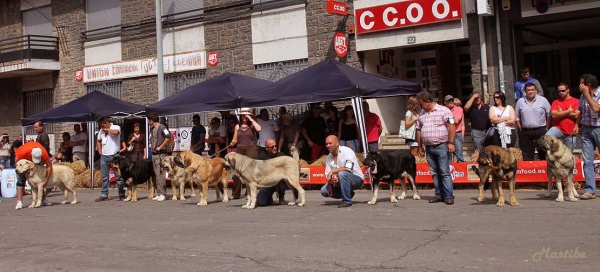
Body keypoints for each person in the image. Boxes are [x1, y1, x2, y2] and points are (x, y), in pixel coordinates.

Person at [415, 91, 455, 205]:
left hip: (441, 145)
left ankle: (448, 195)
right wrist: (420, 146)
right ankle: (439, 195)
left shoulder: (444, 110)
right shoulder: (422, 113)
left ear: (428, 102)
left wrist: (451, 143)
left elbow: (451, 125)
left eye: (421, 104)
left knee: (444, 172)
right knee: (434, 173)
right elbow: (418, 129)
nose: (420, 106)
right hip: (429, 147)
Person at [573, 74, 600, 200]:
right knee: (587, 161)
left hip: (599, 129)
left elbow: (596, 108)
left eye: (582, 84)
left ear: (588, 85)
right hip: (586, 129)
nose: (580, 87)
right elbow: (581, 111)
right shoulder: (582, 96)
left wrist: (587, 94)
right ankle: (590, 190)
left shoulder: (597, 94)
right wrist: (577, 124)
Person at [320, 135, 364, 208]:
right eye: (326, 144)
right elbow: (327, 174)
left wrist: (333, 171)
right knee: (324, 191)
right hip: (340, 181)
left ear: (337, 143)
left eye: (330, 143)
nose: (328, 146)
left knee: (342, 174)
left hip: (356, 179)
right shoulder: (328, 157)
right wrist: (331, 180)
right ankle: (348, 193)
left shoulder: (347, 151)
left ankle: (347, 201)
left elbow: (348, 168)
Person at [229, 108, 262, 199]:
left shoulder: (252, 125)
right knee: (236, 172)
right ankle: (235, 193)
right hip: (240, 149)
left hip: (251, 149)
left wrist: (251, 119)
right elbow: (235, 139)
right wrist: (231, 143)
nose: (245, 116)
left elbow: (259, 129)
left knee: (249, 172)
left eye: (246, 114)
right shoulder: (237, 126)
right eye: (243, 115)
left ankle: (249, 193)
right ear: (240, 115)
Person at [515, 83, 551, 161]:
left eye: (532, 90)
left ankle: (544, 171)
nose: (531, 92)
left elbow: (549, 114)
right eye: (528, 90)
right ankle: (530, 172)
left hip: (540, 130)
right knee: (527, 154)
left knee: (543, 152)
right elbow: (517, 117)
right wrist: (520, 128)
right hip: (526, 131)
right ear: (525, 91)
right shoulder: (520, 102)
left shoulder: (543, 100)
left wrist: (547, 127)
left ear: (536, 90)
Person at [14, 141, 53, 210]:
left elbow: (49, 166)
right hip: (23, 163)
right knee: (21, 180)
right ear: (31, 153)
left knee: (40, 180)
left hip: (38, 163)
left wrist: (46, 180)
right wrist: (21, 169)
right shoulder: (23, 152)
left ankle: (42, 199)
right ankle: (19, 202)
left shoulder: (43, 152)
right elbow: (16, 161)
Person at [95, 116, 125, 202]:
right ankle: (104, 194)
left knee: (118, 176)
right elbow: (98, 140)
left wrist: (108, 130)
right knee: (105, 177)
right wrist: (99, 149)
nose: (102, 128)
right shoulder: (101, 131)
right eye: (101, 126)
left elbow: (116, 132)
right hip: (104, 156)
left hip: (114, 155)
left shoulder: (115, 127)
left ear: (106, 123)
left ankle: (121, 193)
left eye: (102, 126)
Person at [545, 83, 579, 152]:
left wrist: (561, 112)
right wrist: (568, 111)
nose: (561, 92)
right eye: (559, 91)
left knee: (569, 153)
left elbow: (576, 115)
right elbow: (554, 116)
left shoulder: (576, 101)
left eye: (563, 91)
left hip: (570, 130)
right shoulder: (556, 102)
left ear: (568, 90)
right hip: (558, 128)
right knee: (547, 137)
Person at [255, 139, 289, 206]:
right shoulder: (261, 157)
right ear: (266, 148)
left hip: (280, 181)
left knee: (282, 182)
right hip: (267, 182)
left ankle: (281, 196)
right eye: (272, 147)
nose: (275, 148)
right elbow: (255, 169)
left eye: (275, 146)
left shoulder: (281, 155)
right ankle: (269, 197)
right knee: (260, 203)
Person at [147, 112, 172, 202]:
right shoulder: (152, 128)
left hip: (161, 154)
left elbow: (168, 137)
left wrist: (160, 146)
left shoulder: (162, 127)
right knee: (156, 173)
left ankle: (163, 193)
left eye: (148, 120)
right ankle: (159, 192)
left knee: (161, 173)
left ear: (151, 120)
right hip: (154, 153)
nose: (148, 122)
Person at [444, 95, 465, 162]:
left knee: (459, 156)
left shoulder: (459, 109)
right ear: (445, 102)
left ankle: (461, 171)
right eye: (449, 100)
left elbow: (456, 121)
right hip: (446, 134)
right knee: (448, 156)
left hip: (457, 134)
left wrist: (447, 114)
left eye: (452, 100)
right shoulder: (442, 110)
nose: (451, 102)